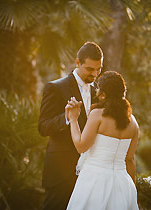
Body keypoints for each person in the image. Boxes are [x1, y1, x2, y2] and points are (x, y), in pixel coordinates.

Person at [38, 42, 103, 210]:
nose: (95, 74)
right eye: (90, 69)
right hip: (61, 170)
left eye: (99, 69)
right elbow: (43, 127)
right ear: (77, 62)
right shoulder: (55, 88)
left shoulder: (99, 91)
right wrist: (67, 117)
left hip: (91, 170)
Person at [66, 71, 139, 210]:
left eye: (98, 88)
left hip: (94, 181)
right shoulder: (133, 122)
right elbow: (130, 159)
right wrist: (133, 189)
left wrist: (73, 119)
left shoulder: (98, 114)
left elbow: (81, 147)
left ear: (103, 94)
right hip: (123, 184)